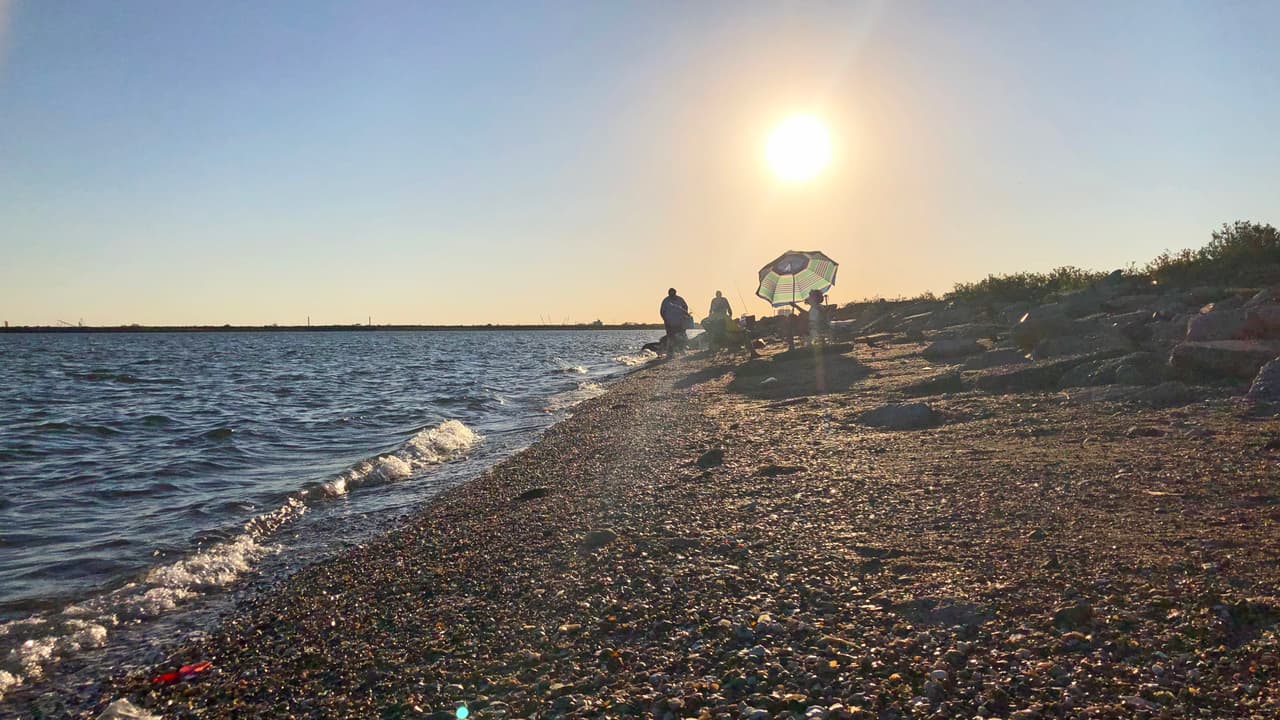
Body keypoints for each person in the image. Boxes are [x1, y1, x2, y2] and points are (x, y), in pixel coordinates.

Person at [659, 288, 690, 359]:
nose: (672, 295)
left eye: (673, 294)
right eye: (670, 294)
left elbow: (685, 307)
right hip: (669, 323)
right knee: (671, 337)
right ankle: (670, 353)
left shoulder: (680, 299)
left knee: (681, 336)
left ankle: (682, 350)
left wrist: (684, 316)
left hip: (680, 322)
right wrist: (665, 320)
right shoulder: (665, 301)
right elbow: (662, 312)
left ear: (675, 293)